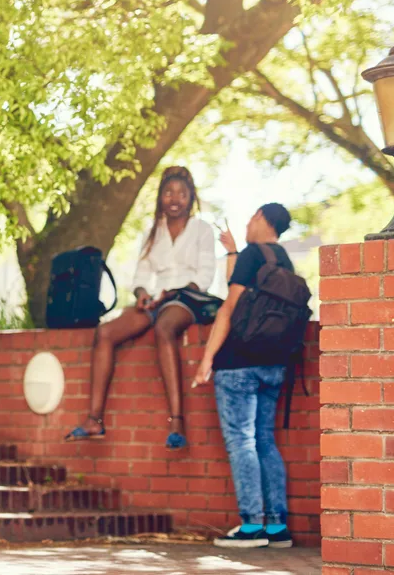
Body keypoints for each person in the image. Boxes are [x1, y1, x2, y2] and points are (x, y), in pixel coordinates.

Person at [65, 166, 218, 450]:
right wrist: (142, 294)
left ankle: (176, 422)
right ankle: (94, 420)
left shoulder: (201, 229)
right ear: (160, 197)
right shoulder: (152, 232)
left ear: (191, 197)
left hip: (186, 299)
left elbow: (205, 276)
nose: (174, 199)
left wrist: (174, 292)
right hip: (155, 300)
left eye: (181, 194)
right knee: (105, 333)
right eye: (168, 193)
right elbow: (140, 275)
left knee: (164, 328)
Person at [193, 203, 296, 549]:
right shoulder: (283, 260)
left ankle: (252, 525)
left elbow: (230, 306)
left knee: (241, 442)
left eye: (251, 217)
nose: (248, 223)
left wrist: (207, 358)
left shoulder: (254, 254)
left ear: (263, 219)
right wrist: (232, 250)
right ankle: (277, 527)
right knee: (265, 440)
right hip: (275, 364)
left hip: (239, 363)